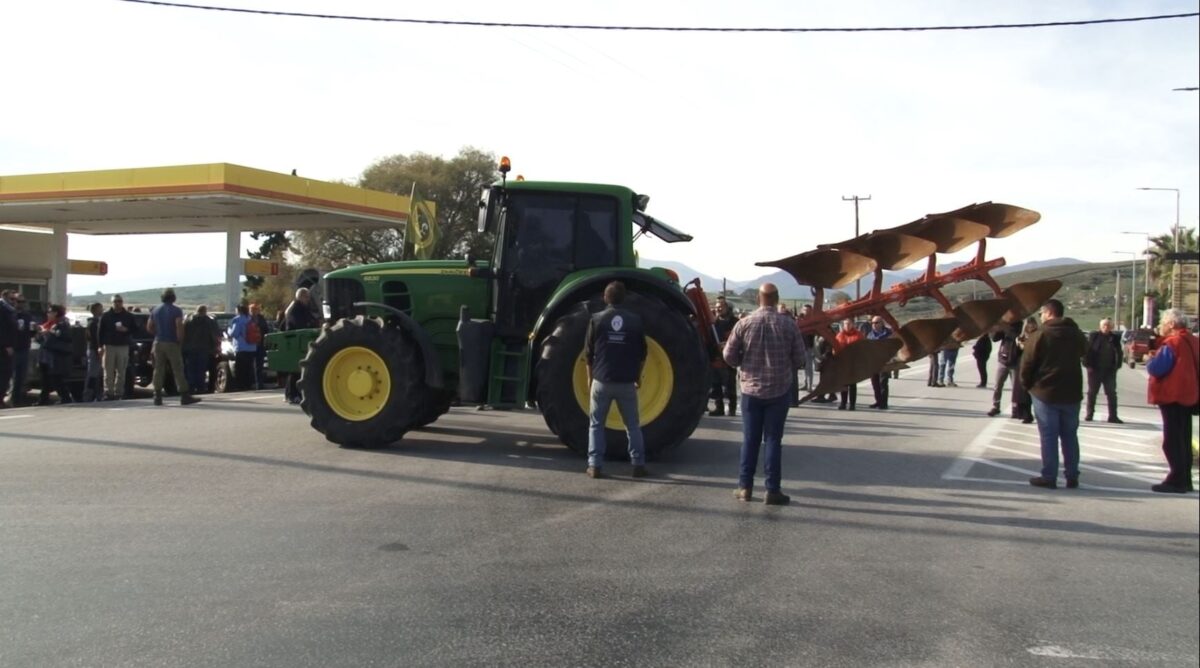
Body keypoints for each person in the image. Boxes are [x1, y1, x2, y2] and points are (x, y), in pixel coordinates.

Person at [723, 283, 805, 505]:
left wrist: (744, 364)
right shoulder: (789, 325)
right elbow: (800, 359)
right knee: (773, 440)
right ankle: (772, 490)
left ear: (759, 298)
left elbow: (728, 356)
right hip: (779, 391)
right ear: (777, 298)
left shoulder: (744, 323)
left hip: (751, 391)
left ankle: (745, 487)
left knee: (750, 440)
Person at [1019, 299, 1087, 489]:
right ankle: (1072, 475)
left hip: (1045, 391)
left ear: (1049, 313)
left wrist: (1026, 385)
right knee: (1070, 436)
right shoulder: (1076, 333)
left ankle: (1049, 476)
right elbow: (1085, 350)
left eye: (1042, 312)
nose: (1040, 316)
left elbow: (1027, 362)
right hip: (1072, 391)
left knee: (1049, 436)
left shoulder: (1041, 334)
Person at [583, 281, 648, 479]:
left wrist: (589, 378)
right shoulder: (635, 321)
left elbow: (588, 353)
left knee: (596, 424)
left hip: (601, 381)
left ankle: (595, 466)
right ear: (625, 298)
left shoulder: (596, 319)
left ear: (605, 297)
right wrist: (637, 377)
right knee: (632, 425)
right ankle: (638, 465)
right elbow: (643, 353)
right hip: (626, 383)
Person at [1145, 308, 1199, 494]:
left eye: (1164, 323)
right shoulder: (1193, 341)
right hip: (1189, 395)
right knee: (1183, 438)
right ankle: (1185, 479)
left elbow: (1157, 369)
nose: (1162, 326)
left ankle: (1176, 480)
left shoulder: (1173, 343)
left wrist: (1150, 359)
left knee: (1172, 441)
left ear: (1172, 324)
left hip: (1172, 394)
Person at [147, 288, 200, 407]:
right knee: (178, 369)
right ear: (173, 297)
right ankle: (184, 395)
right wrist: (180, 341)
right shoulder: (176, 310)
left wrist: (158, 334)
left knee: (158, 369)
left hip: (158, 342)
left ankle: (157, 396)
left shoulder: (155, 310)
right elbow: (179, 326)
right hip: (171, 342)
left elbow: (149, 327)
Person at [282, 287, 320, 404]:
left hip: (300, 340)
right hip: (295, 340)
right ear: (301, 296)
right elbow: (296, 323)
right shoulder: (295, 309)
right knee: (294, 370)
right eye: (307, 297)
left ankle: (296, 393)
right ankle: (291, 394)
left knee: (298, 370)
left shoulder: (303, 308)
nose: (308, 299)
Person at [1084, 318, 1123, 423]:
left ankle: (1113, 416)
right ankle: (1089, 414)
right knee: (1092, 393)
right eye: (1104, 326)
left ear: (1111, 327)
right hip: (1095, 369)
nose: (1106, 328)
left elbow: (1119, 352)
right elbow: (1087, 351)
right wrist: (1088, 365)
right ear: (1100, 327)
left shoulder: (1114, 338)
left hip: (1109, 370)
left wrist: (1117, 365)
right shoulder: (1094, 336)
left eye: (1108, 326)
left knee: (1111, 393)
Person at [98, 294, 137, 400]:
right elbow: (100, 332)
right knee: (108, 371)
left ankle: (119, 392)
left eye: (119, 301)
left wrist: (126, 330)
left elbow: (136, 330)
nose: (117, 303)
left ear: (122, 302)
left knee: (122, 371)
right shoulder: (106, 316)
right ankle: (108, 393)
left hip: (123, 346)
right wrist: (100, 346)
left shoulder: (128, 316)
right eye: (115, 301)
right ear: (112, 303)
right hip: (109, 346)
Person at [36, 304, 74, 405]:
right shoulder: (48, 324)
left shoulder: (62, 324)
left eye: (50, 312)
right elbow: (41, 340)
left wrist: (48, 333)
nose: (48, 314)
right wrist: (40, 333)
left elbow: (63, 338)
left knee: (56, 378)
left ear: (55, 313)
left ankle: (65, 397)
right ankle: (43, 399)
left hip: (55, 356)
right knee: (45, 379)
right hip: (45, 355)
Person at [708, 297, 738, 416]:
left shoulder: (735, 323)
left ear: (728, 308)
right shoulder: (714, 324)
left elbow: (740, 340)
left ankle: (732, 408)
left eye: (721, 306)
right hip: (716, 359)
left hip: (729, 360)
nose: (718, 308)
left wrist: (728, 344)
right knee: (716, 385)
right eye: (717, 306)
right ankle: (718, 408)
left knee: (729, 386)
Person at [987, 321, 1023, 417]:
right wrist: (997, 329)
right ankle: (996, 406)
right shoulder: (1005, 325)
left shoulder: (1019, 323)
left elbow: (1016, 334)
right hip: (1003, 359)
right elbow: (994, 338)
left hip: (1016, 361)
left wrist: (1006, 327)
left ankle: (1015, 409)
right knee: (998, 385)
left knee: (1016, 388)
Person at [182, 305, 220, 394]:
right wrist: (215, 347)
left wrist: (183, 346)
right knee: (201, 369)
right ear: (205, 311)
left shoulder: (188, 320)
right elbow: (214, 335)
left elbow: (183, 333)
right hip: (204, 348)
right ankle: (200, 387)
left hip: (190, 348)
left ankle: (190, 387)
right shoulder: (210, 321)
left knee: (190, 368)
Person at [9, 294, 35, 407]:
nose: (21, 304)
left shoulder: (27, 316)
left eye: (23, 302)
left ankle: (17, 399)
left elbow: (30, 332)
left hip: (24, 348)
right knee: (9, 376)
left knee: (21, 377)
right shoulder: (9, 314)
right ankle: (8, 398)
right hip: (12, 349)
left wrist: (34, 330)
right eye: (18, 301)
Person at [227, 303, 258, 391]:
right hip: (252, 347)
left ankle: (240, 385)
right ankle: (248, 384)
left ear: (238, 310)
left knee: (240, 368)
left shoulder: (237, 320)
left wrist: (229, 330)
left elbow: (234, 333)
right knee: (249, 367)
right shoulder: (250, 319)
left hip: (241, 347)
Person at [1012, 318, 1037, 424]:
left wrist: (1025, 346)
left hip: (1034, 366)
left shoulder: (1037, 336)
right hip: (1021, 365)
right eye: (1028, 325)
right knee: (1021, 392)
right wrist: (1018, 345)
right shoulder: (1020, 337)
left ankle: (1032, 413)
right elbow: (1015, 354)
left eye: (1032, 325)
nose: (1030, 327)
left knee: (1032, 392)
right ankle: (1025, 413)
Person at [835, 318, 863, 411]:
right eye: (845, 324)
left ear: (853, 324)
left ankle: (852, 404)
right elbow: (835, 348)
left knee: (852, 385)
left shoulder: (858, 335)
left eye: (849, 323)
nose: (847, 325)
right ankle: (843, 403)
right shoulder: (840, 335)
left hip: (854, 363)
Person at [867, 316, 892, 409]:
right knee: (875, 383)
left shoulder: (888, 333)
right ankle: (878, 401)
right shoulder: (870, 335)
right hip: (873, 362)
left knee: (883, 382)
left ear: (882, 323)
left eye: (876, 323)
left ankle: (884, 403)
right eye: (872, 323)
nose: (874, 325)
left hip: (884, 362)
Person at [82, 302, 104, 401]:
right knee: (92, 374)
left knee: (98, 374)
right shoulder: (94, 323)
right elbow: (95, 339)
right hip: (94, 351)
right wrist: (98, 351)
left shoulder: (94, 322)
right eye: (100, 308)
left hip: (93, 350)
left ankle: (97, 395)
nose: (102, 310)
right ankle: (88, 395)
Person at [0, 289, 17, 409]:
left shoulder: (10, 310)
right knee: (4, 373)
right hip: (3, 347)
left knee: (6, 374)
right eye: (12, 299)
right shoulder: (2, 309)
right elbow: (2, 329)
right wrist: (7, 345)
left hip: (8, 346)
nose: (14, 302)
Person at [249, 303, 271, 389]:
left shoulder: (254, 319)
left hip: (257, 344)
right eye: (252, 310)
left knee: (258, 365)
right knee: (255, 365)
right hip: (253, 344)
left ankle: (258, 384)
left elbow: (266, 330)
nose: (254, 311)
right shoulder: (252, 319)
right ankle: (255, 383)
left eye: (255, 309)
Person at [798, 304, 816, 392]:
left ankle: (809, 385)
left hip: (809, 346)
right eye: (805, 310)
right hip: (801, 346)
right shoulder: (800, 319)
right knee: (804, 367)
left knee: (809, 367)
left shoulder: (812, 321)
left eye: (808, 310)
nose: (806, 312)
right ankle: (805, 383)